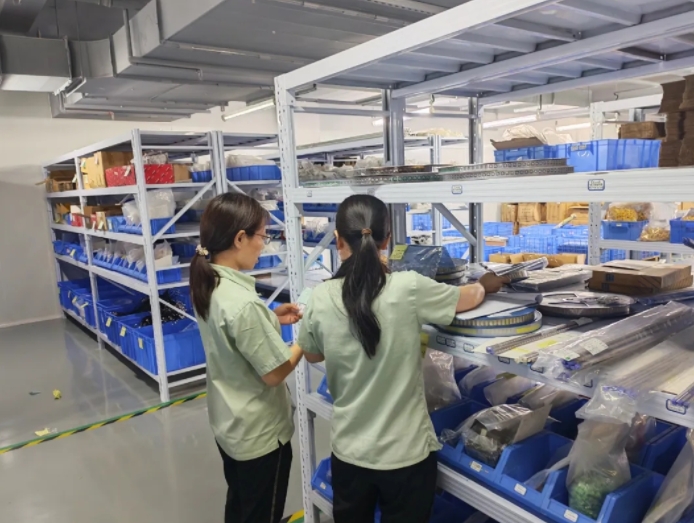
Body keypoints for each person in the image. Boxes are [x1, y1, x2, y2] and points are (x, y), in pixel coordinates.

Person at [297, 194, 505, 523]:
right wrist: (484, 285)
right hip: (406, 456)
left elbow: (311, 353)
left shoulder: (320, 296)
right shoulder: (408, 287)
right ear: (387, 240)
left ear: (338, 240)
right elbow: (465, 298)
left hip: (350, 454)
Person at [190, 193, 303, 523]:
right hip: (260, 436)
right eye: (262, 236)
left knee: (240, 506)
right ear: (240, 238)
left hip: (231, 424)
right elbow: (275, 372)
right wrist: (306, 338)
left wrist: (271, 318)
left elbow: (232, 333)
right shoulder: (243, 304)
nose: (263, 245)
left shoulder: (209, 282)